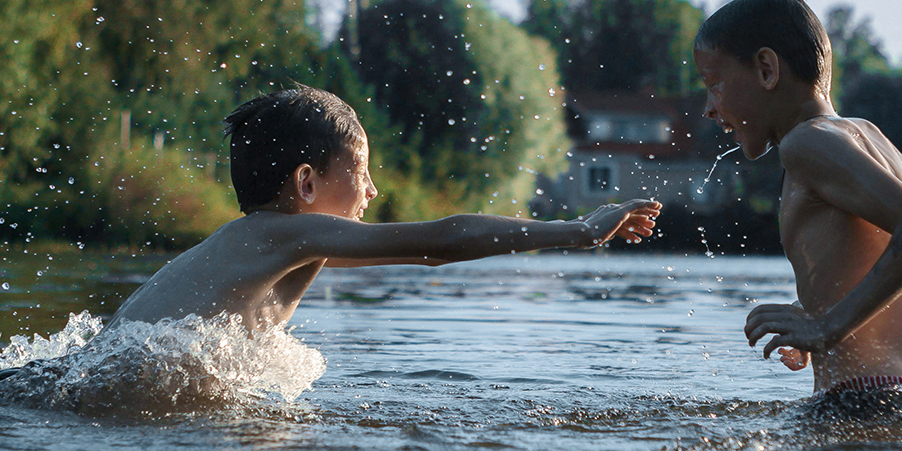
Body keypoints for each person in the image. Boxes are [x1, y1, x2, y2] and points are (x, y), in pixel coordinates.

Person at [104, 86, 660, 332]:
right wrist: (579, 230)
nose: (371, 191)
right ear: (307, 184)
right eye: (362, 172)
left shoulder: (266, 247)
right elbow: (441, 242)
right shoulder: (283, 237)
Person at [692, 0, 902, 399]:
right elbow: (882, 249)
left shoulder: (805, 144)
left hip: (872, 397)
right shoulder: (868, 136)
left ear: (766, 69)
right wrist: (812, 316)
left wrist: (827, 328)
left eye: (714, 84)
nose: (709, 108)